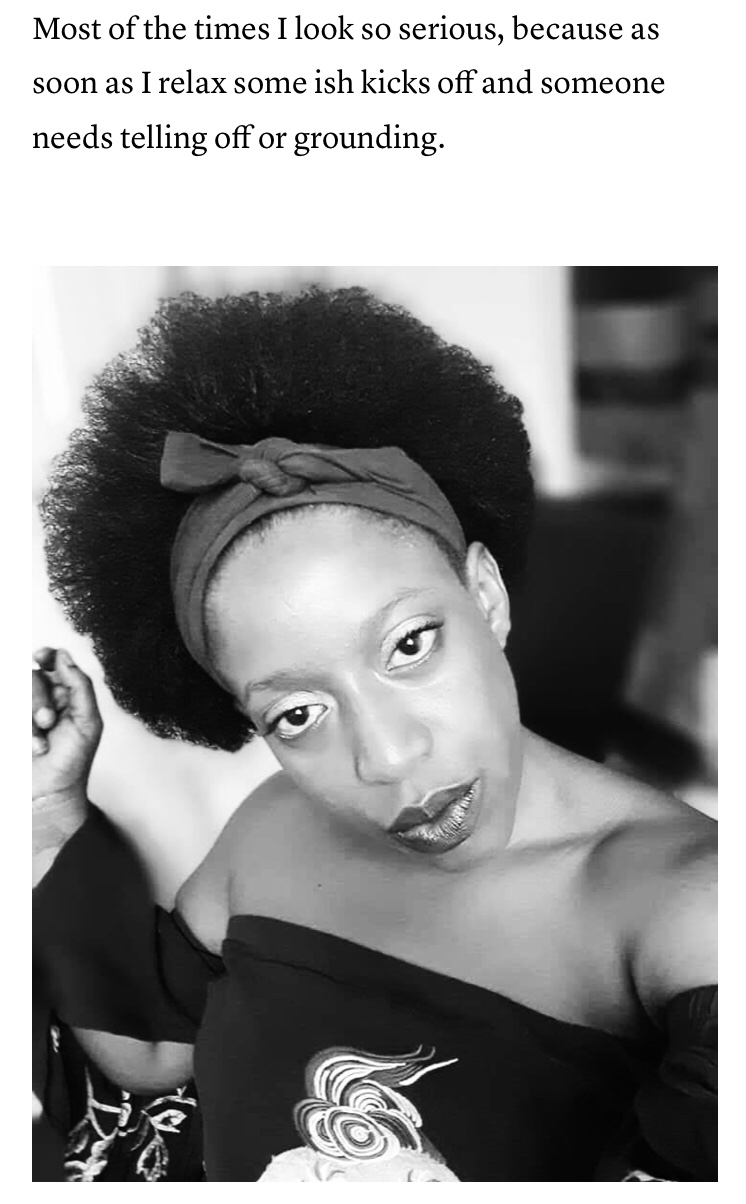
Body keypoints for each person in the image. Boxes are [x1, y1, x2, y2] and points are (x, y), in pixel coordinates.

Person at [32, 286, 717, 1182]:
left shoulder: (690, 912)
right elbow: (155, 1052)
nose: (388, 758)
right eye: (297, 714)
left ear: (485, 596)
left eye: (409, 645)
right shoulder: (273, 824)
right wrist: (48, 809)